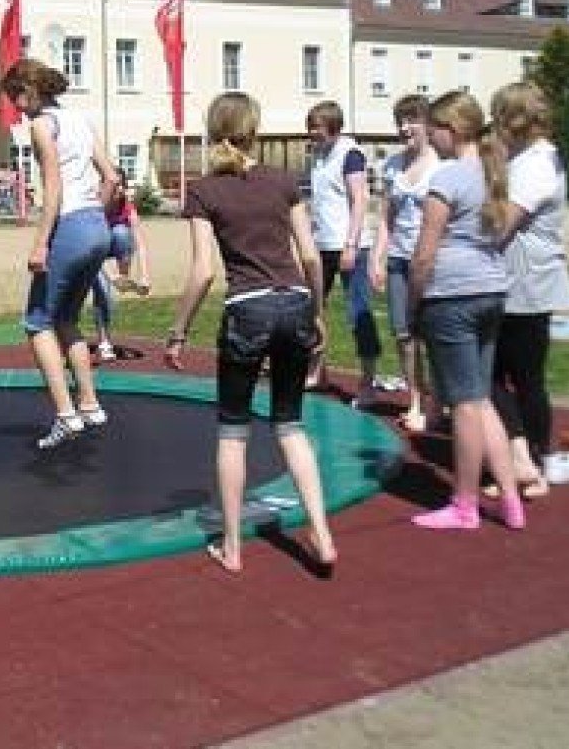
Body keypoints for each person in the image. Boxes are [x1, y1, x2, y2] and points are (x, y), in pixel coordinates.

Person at [165, 91, 335, 576]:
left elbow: (201, 272)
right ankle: (320, 531)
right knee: (290, 425)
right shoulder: (283, 182)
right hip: (295, 302)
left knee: (234, 431)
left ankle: (234, 546)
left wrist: (178, 330)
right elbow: (308, 255)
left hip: (248, 309)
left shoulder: (202, 191)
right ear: (254, 130)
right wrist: (316, 311)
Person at [408, 90, 523, 531]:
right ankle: (510, 498)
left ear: (450, 130)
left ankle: (465, 503)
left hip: (452, 295)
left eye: (433, 128)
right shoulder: (494, 174)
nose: (430, 136)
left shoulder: (449, 178)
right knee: (482, 398)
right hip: (491, 292)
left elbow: (424, 254)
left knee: (465, 405)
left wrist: (414, 303)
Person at [0, 57, 116, 449]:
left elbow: (54, 190)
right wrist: (95, 210)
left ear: (28, 92)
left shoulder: (41, 126)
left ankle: (65, 414)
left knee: (36, 323)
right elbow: (112, 176)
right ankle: (90, 403)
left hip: (69, 227)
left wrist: (40, 243)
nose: (15, 107)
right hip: (98, 227)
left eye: (15, 98)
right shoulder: (80, 119)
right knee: (66, 318)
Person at [488, 82, 569, 500]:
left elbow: (503, 222)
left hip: (527, 284)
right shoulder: (523, 158)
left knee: (522, 377)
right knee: (496, 375)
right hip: (511, 281)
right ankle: (515, 457)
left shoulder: (538, 163)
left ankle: (534, 460)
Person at [370, 94, 442, 433]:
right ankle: (415, 400)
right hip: (399, 260)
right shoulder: (393, 166)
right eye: (400, 121)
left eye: (412, 120)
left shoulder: (442, 165)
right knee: (403, 334)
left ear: (428, 124)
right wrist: (377, 256)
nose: (404, 128)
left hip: (434, 263)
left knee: (436, 334)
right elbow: (386, 216)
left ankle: (438, 402)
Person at [305, 100, 382, 406]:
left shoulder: (350, 155)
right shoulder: (318, 155)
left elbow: (360, 200)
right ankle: (317, 370)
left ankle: (368, 382)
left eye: (318, 130)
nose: (312, 135)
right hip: (322, 244)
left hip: (351, 246)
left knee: (358, 312)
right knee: (313, 309)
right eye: (310, 129)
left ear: (335, 129)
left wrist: (350, 245)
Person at [90, 167, 153, 362]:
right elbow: (92, 250)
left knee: (122, 233)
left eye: (121, 186)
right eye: (113, 186)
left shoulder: (127, 206)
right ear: (102, 187)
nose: (118, 191)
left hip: (109, 245)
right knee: (103, 290)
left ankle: (123, 276)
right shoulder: (94, 207)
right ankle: (104, 341)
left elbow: (140, 244)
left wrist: (144, 276)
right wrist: (110, 276)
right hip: (87, 251)